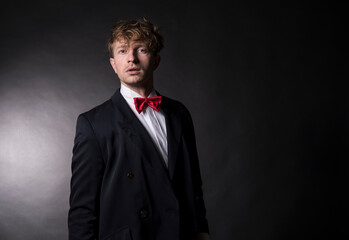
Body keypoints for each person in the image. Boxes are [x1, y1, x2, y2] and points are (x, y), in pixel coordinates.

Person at [68, 18, 210, 240]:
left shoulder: (179, 113)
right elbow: (82, 210)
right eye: (123, 51)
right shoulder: (94, 123)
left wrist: (202, 232)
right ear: (114, 64)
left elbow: (193, 185)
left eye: (141, 49)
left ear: (155, 61)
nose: (132, 58)